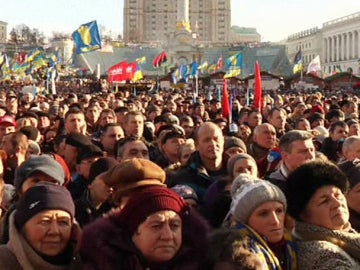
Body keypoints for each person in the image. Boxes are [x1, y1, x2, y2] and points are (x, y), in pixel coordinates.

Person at [80, 186, 210, 270]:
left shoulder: (205, 263)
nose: (167, 236)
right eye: (156, 226)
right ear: (134, 232)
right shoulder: (98, 264)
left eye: (175, 226)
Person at [207, 174, 297, 270]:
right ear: (245, 220)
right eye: (263, 214)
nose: (275, 220)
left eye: (279, 211)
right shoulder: (232, 258)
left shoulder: (292, 244)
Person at [286, 160, 360, 269]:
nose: (337, 203)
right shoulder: (322, 256)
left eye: (338, 195)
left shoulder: (347, 237)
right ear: (303, 214)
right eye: (324, 201)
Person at [0, 183, 82, 269]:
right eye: (45, 221)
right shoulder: (4, 262)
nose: (54, 231)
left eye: (63, 222)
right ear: (22, 227)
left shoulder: (84, 264)